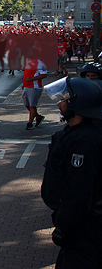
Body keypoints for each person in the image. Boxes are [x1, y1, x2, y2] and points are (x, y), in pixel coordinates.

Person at [40, 76, 102, 268]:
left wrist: (64, 225)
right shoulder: (77, 134)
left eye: (64, 99)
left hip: (84, 231)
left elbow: (79, 190)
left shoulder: (84, 142)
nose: (60, 104)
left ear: (77, 104)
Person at [23, 59, 50, 130]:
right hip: (27, 86)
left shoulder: (40, 63)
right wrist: (24, 84)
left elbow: (44, 75)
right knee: (26, 104)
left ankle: (30, 123)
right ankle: (38, 117)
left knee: (32, 105)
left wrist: (32, 79)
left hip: (35, 87)